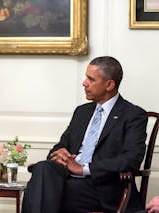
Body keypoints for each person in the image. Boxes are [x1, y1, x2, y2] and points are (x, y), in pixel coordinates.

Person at [21, 56, 148, 213]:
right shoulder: (82, 112)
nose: (84, 83)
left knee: (43, 193)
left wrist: (84, 169)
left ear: (109, 85)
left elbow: (132, 159)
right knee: (43, 168)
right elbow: (60, 146)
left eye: (91, 79)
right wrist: (58, 154)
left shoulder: (133, 115)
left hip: (101, 187)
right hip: (66, 178)